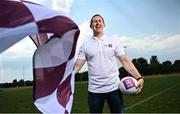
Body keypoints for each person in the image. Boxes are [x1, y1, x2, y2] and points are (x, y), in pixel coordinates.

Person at [74, 14, 144, 113]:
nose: (97, 23)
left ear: (104, 24)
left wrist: (139, 77)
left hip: (114, 88)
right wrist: (64, 79)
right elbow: (77, 66)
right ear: (91, 26)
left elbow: (125, 61)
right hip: (95, 91)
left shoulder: (114, 41)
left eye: (100, 21)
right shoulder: (85, 45)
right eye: (94, 21)